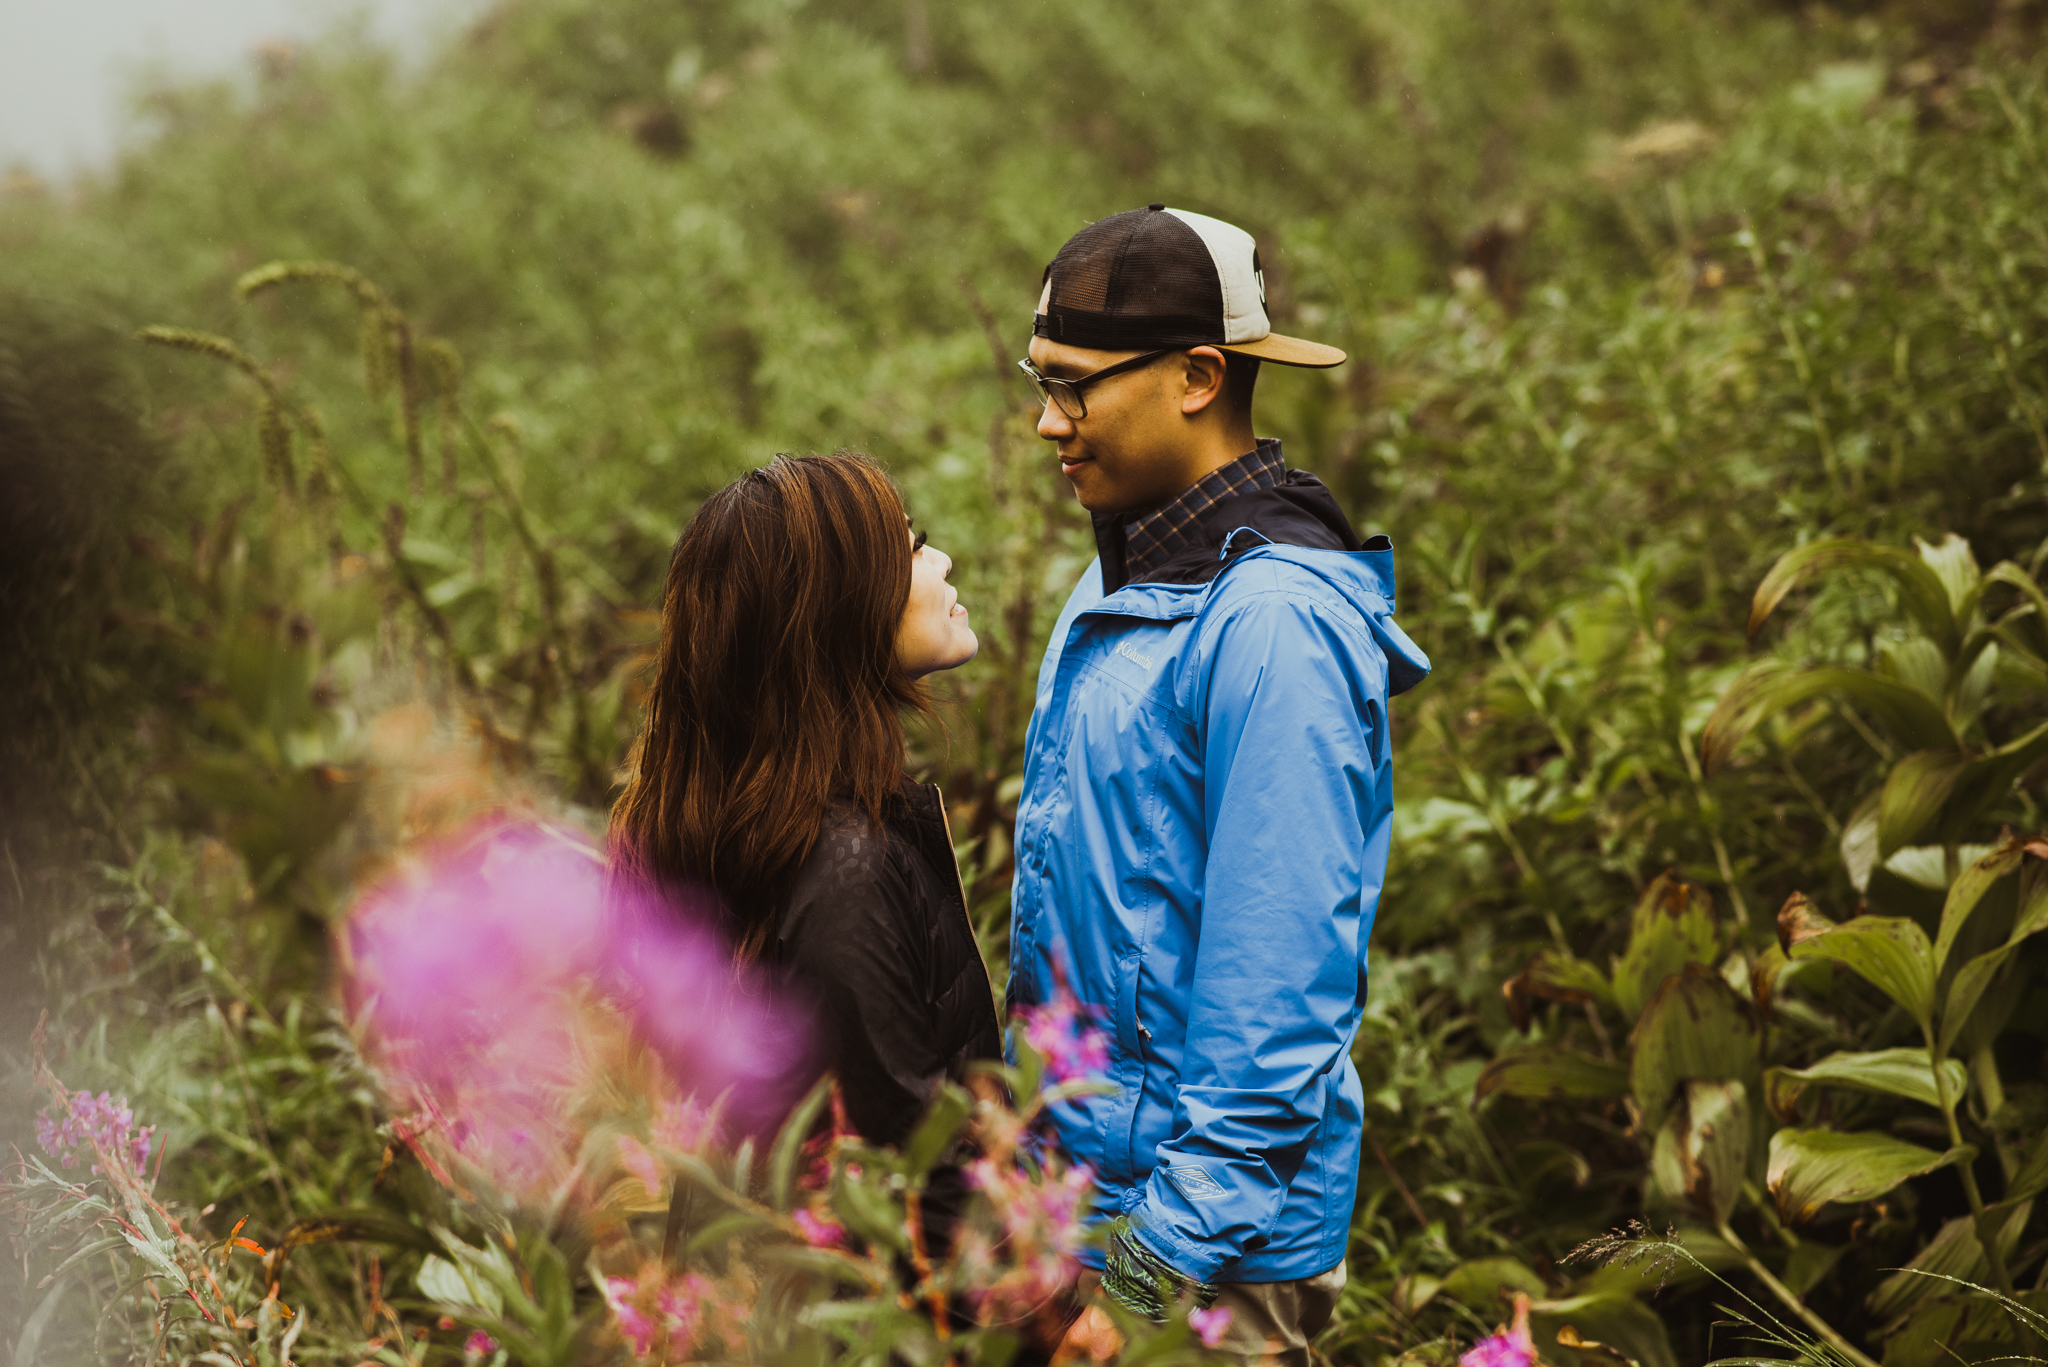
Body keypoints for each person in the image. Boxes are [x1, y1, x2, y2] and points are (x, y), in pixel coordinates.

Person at [1005, 205, 1431, 1365]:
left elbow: (1277, 1010)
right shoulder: (1130, 578)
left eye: (1075, 385)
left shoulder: (1277, 622)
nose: (1049, 421)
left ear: (1197, 375)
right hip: (1091, 1230)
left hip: (1200, 1268)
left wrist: (1145, 1278)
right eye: (1039, 380)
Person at [609, 452, 1000, 1246]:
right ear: (839, 608)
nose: (943, 561)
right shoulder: (844, 870)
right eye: (913, 546)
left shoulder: (786, 833)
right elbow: (906, 1175)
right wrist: (1064, 1326)